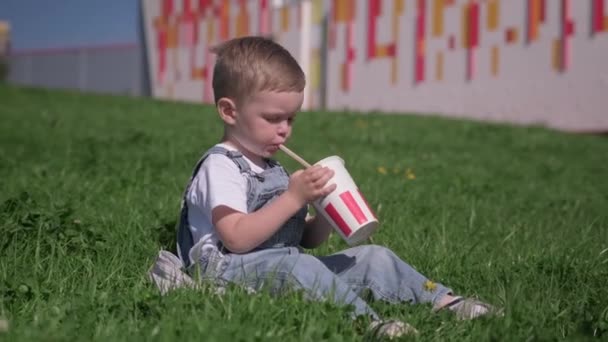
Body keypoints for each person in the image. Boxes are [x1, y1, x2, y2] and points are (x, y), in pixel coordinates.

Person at [149, 36, 500, 339]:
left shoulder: (272, 167)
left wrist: (324, 210)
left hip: (284, 262)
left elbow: (305, 241)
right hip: (226, 271)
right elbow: (236, 238)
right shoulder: (222, 165)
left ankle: (442, 301)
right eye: (272, 118)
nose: (284, 129)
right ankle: (368, 322)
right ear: (229, 111)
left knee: (373, 257)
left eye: (291, 119)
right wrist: (292, 198)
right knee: (302, 268)